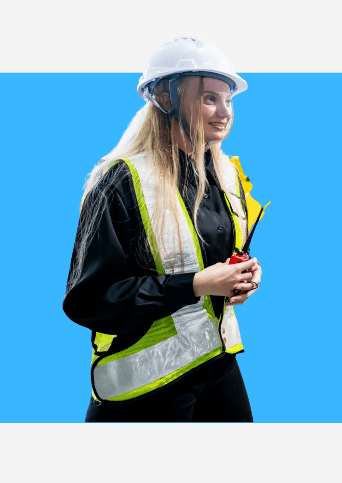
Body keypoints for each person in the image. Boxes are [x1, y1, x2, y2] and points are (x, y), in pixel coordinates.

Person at [64, 37, 264, 422]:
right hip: (146, 386)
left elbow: (214, 258)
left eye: (229, 99)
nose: (224, 112)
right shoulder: (119, 183)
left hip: (216, 365)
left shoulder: (224, 174)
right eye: (209, 98)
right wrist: (195, 285)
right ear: (165, 98)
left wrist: (241, 275)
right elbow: (90, 300)